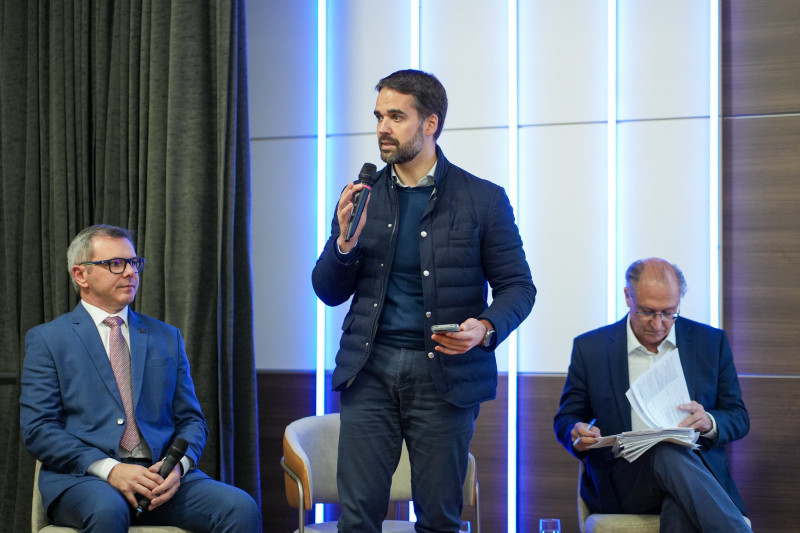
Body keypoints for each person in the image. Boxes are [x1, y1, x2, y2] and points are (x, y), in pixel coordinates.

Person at [312, 69, 536, 533]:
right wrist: (343, 244)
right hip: (369, 370)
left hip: (445, 375)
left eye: (396, 116)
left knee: (438, 518)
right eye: (378, 116)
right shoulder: (361, 196)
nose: (382, 128)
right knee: (356, 519)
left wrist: (486, 328)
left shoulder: (483, 199)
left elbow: (518, 287)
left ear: (430, 123)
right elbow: (328, 291)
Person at [20, 224, 260, 533]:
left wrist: (179, 467)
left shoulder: (166, 336)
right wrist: (110, 470)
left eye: (134, 263)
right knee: (108, 510)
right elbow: (38, 429)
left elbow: (192, 420)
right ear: (81, 275)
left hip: (159, 478)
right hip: (85, 479)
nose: (130, 273)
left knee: (240, 508)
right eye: (115, 264)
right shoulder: (48, 339)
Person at [554, 258, 751, 532]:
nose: (658, 324)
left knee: (680, 504)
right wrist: (577, 431)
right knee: (666, 450)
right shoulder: (592, 349)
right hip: (626, 479)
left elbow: (738, 417)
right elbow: (567, 417)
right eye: (648, 312)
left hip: (696, 475)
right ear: (627, 297)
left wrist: (709, 422)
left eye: (669, 313)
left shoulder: (710, 342)